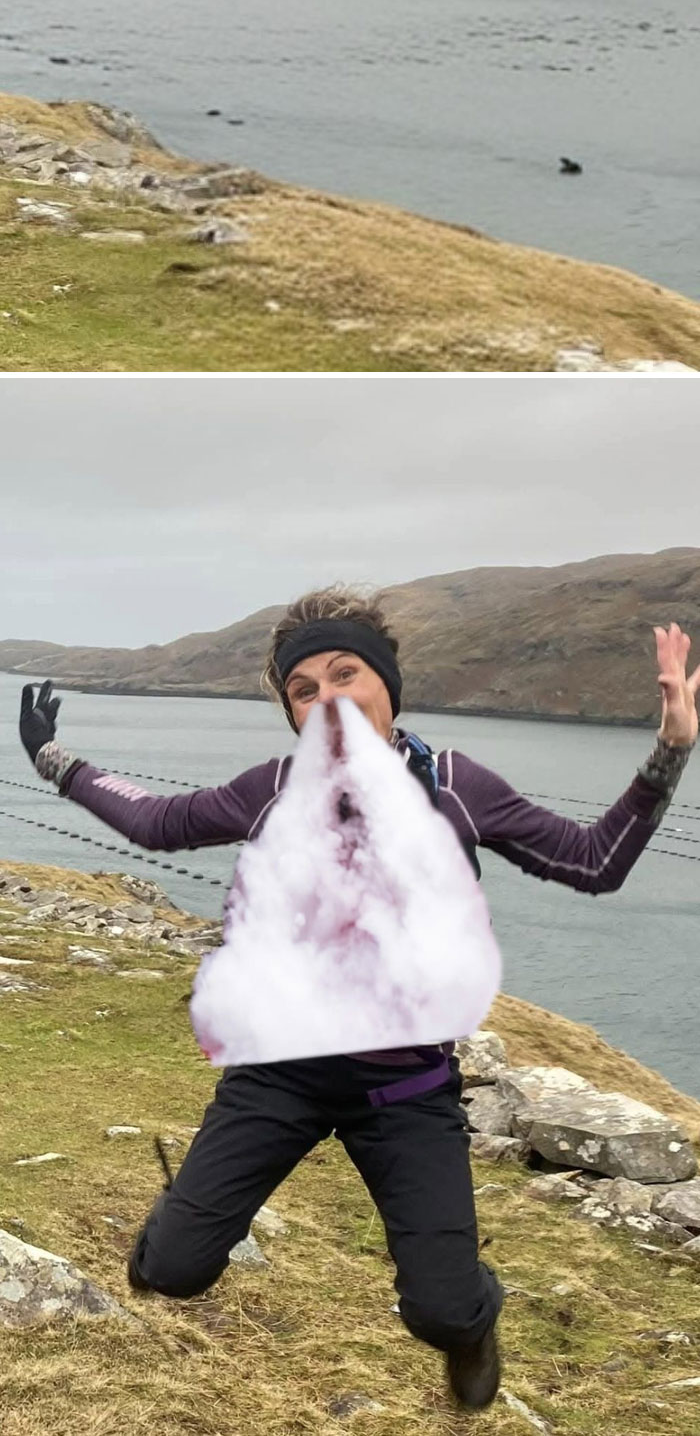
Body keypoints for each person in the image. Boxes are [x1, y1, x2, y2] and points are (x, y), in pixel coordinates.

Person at [19, 589, 699, 1417]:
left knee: (442, 1311)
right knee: (169, 1270)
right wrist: (54, 760)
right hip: (276, 1079)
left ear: (388, 685)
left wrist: (670, 749)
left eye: (347, 672)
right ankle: (181, 1217)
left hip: (407, 1093)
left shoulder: (457, 787)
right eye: (304, 688)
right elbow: (158, 820)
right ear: (291, 711)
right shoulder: (269, 789)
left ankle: (475, 1315)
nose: (328, 697)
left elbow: (595, 862)